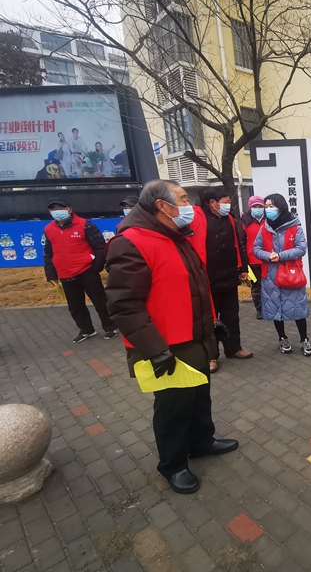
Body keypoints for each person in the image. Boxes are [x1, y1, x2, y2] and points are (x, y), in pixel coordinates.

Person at [105, 179, 238, 494]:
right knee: (173, 409)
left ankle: (201, 441)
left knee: (199, 397)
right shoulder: (131, 242)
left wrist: (212, 323)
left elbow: (192, 288)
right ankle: (173, 464)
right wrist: (154, 350)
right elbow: (124, 306)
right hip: (166, 347)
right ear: (162, 206)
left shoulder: (177, 236)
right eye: (182, 199)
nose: (189, 206)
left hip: (195, 338)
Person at [189, 188, 253, 372]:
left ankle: (234, 348)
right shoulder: (199, 219)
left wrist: (243, 268)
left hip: (229, 276)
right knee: (210, 319)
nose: (228, 206)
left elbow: (238, 244)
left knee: (231, 316)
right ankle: (211, 356)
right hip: (209, 278)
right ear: (213, 203)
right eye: (225, 202)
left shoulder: (230, 219)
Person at [43, 198, 117, 343]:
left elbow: (100, 247)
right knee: (75, 306)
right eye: (54, 209)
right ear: (50, 212)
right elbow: (48, 253)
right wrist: (51, 273)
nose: (57, 211)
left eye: (61, 208)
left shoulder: (85, 225)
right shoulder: (49, 229)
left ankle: (110, 327)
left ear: (69, 210)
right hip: (65, 274)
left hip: (86, 271)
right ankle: (87, 330)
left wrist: (96, 267)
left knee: (100, 302)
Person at [253, 194, 311, 356]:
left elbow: (301, 248)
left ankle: (304, 339)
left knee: (298, 308)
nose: (268, 209)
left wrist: (281, 256)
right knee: (275, 309)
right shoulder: (264, 227)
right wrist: (268, 256)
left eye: (271, 206)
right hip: (270, 276)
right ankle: (282, 338)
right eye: (266, 206)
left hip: (291, 275)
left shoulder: (294, 226)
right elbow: (256, 248)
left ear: (280, 207)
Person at [241, 195, 267, 319]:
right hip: (253, 261)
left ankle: (271, 307)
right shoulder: (244, 222)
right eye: (254, 206)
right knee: (256, 287)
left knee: (270, 285)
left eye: (260, 206)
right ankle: (260, 309)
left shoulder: (269, 220)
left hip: (269, 259)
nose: (257, 209)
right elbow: (241, 243)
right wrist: (244, 263)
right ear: (250, 207)